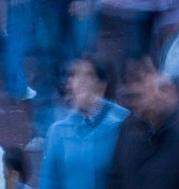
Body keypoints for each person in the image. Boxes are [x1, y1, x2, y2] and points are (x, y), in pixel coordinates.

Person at [106, 62, 179, 189]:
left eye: (163, 89)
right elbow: (116, 177)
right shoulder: (129, 127)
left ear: (177, 93)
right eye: (151, 88)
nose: (156, 95)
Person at [41, 56, 128, 189]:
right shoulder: (59, 130)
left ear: (102, 84)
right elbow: (49, 182)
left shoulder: (123, 123)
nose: (80, 81)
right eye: (75, 75)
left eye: (88, 75)